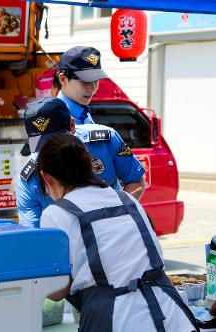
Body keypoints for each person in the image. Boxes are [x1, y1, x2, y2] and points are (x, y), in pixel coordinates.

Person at [38, 133, 198, 332]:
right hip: (172, 317)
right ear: (89, 165)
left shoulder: (55, 214)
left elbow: (56, 290)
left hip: (117, 321)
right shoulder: (127, 200)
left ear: (46, 177)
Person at [16, 97, 146, 227]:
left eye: (58, 141)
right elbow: (34, 234)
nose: (52, 151)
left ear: (72, 126)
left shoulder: (105, 141)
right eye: (43, 146)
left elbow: (135, 180)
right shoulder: (29, 180)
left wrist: (116, 216)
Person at [57, 46, 109, 124]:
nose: (92, 88)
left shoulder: (82, 111)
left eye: (96, 81)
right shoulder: (54, 119)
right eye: (85, 81)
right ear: (63, 79)